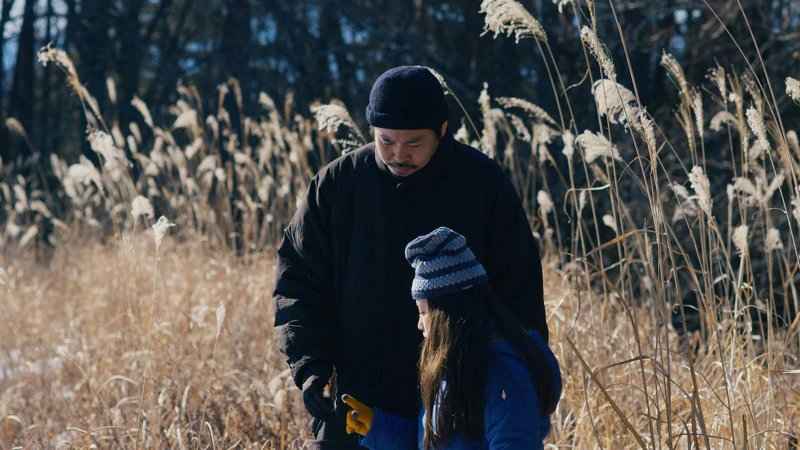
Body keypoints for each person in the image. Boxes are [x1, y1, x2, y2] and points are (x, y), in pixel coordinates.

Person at [272, 66, 548, 449]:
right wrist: (312, 368)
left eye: (414, 142)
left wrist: (508, 383)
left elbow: (518, 301)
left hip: (453, 408)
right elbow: (297, 285)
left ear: (443, 129)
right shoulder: (337, 185)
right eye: (386, 141)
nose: (399, 154)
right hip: (353, 409)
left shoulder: (484, 187)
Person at [342, 227, 561, 450]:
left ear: (445, 314)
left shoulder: (503, 375)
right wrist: (378, 428)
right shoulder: (460, 366)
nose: (419, 323)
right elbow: (436, 444)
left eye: (423, 312)